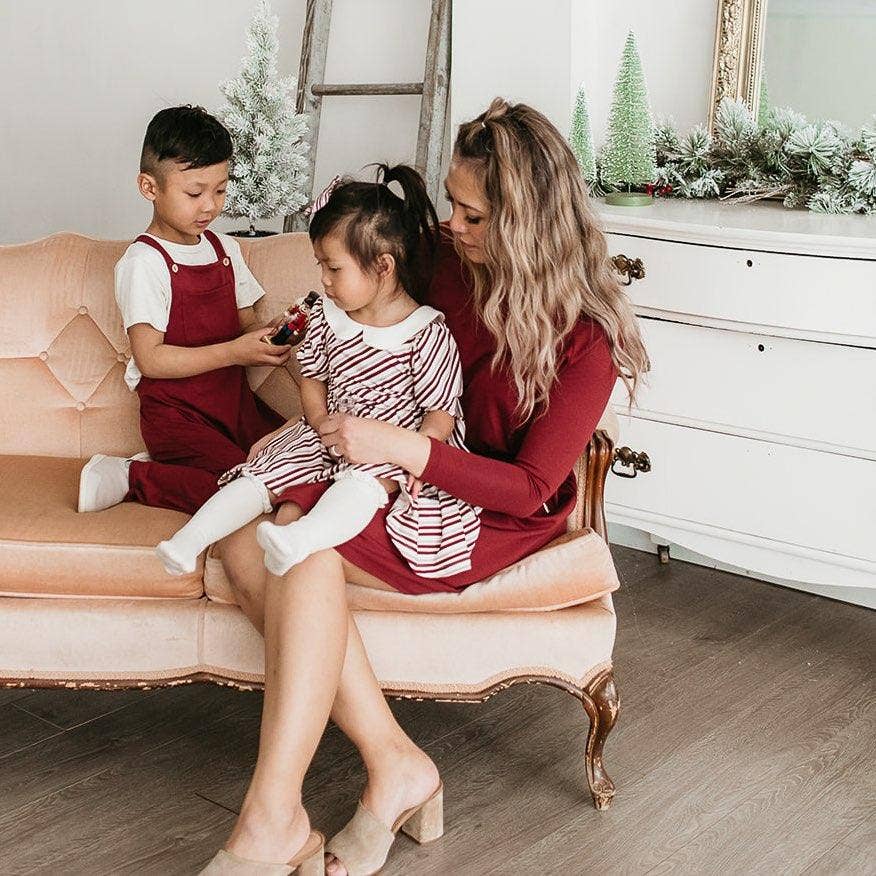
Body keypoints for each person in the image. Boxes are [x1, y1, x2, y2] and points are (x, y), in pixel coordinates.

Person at [199, 99, 649, 876]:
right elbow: (349, 314)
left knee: (300, 552)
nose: (452, 225)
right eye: (451, 203)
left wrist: (398, 446)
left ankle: (272, 819)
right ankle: (395, 765)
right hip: (388, 470)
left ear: (527, 223)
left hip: (487, 509)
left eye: (473, 215)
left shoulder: (588, 339)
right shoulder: (443, 257)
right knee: (247, 541)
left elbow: (528, 487)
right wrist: (302, 370)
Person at [155, 164, 481, 583]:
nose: (323, 280)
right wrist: (319, 422)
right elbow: (313, 378)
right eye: (319, 266)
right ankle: (187, 542)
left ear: (383, 267)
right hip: (326, 429)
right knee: (262, 475)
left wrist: (420, 456)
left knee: (363, 485)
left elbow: (440, 413)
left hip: (390, 444)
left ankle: (299, 540)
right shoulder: (328, 317)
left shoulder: (425, 332)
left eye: (334, 268)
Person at [77, 105, 289, 517]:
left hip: (235, 409)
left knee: (298, 469)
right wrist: (235, 352)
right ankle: (132, 476)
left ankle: (177, 470)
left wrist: (275, 333)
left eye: (220, 191)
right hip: (177, 419)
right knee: (242, 492)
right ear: (149, 187)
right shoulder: (144, 263)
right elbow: (151, 359)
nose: (209, 206)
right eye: (194, 193)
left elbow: (246, 326)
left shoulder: (225, 250)